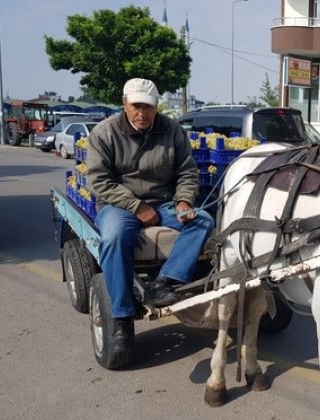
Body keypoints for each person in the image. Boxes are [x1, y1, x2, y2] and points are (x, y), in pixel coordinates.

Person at [87, 78, 215, 353]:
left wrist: (183, 201)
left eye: (148, 107)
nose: (142, 113)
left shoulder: (172, 130)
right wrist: (136, 206)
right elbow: (98, 181)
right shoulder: (104, 133)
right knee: (114, 237)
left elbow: (187, 171)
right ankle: (120, 318)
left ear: (157, 108)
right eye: (136, 106)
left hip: (164, 201)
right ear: (124, 104)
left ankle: (164, 282)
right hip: (119, 204)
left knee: (202, 219)